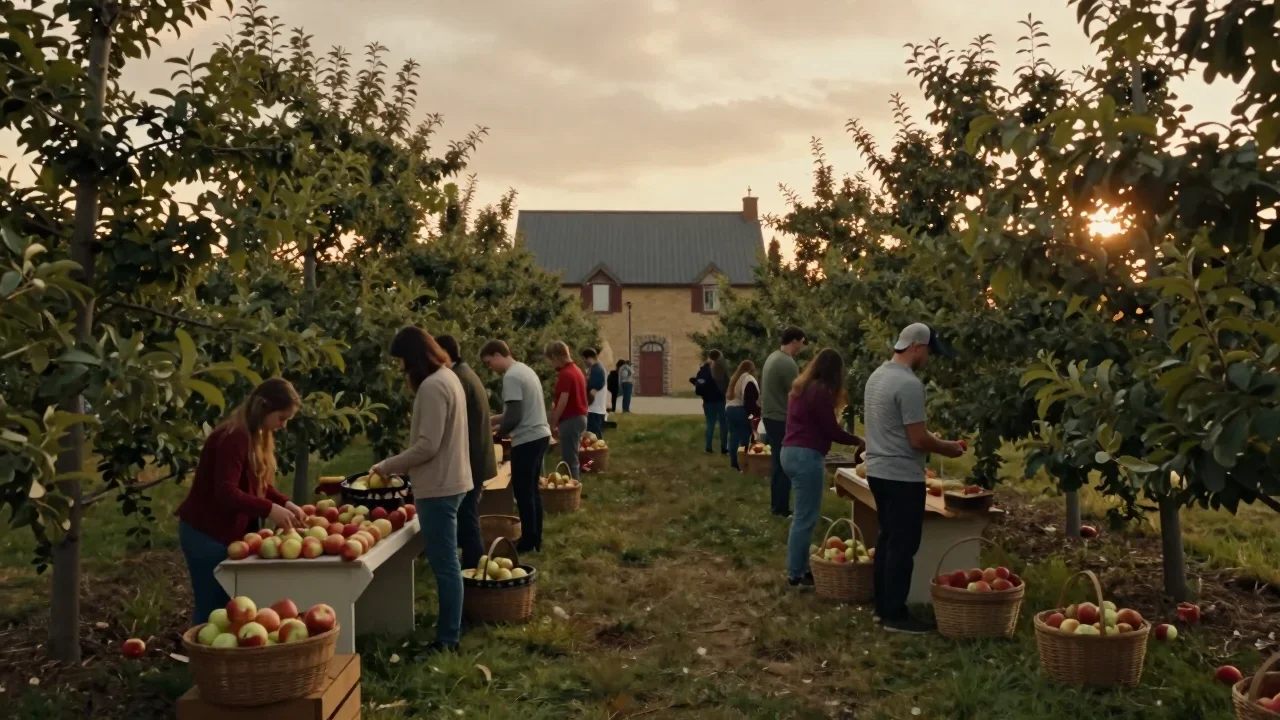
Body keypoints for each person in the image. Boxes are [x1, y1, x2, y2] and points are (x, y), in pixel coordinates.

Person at [370, 327, 472, 653]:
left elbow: (428, 445)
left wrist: (388, 465)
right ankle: (451, 628)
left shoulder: (431, 387)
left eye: (402, 361)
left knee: (445, 565)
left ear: (413, 358)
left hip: (439, 485)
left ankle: (447, 640)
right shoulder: (449, 377)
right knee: (448, 562)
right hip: (453, 479)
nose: (401, 369)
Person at [864, 323, 965, 634]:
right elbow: (918, 438)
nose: (929, 358)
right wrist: (948, 448)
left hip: (877, 470)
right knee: (903, 545)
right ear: (917, 347)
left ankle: (881, 607)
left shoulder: (877, 376)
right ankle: (895, 614)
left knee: (887, 539)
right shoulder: (909, 385)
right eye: (930, 352)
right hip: (902, 475)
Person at [176, 378, 305, 624]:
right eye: (281, 418)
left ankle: (219, 660)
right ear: (264, 408)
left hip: (223, 534)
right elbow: (226, 491)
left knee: (229, 609)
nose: (284, 426)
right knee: (212, 609)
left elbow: (258, 484)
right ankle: (201, 660)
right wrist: (270, 509)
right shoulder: (234, 436)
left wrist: (285, 503)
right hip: (206, 533)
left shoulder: (255, 434)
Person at [781, 348, 865, 590]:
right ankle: (796, 575)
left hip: (789, 451)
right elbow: (831, 430)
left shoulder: (802, 387)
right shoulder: (820, 392)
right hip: (807, 456)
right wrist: (858, 441)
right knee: (805, 517)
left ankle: (800, 568)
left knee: (802, 515)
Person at [481, 339, 552, 553]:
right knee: (532, 490)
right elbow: (515, 410)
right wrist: (491, 421)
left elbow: (514, 417)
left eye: (488, 363)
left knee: (523, 492)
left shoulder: (511, 377)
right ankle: (535, 537)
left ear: (496, 355)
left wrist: (495, 436)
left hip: (527, 438)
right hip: (540, 435)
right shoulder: (524, 371)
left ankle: (527, 542)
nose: (490, 368)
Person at [435, 334, 498, 570]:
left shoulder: (458, 379)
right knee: (468, 513)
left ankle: (473, 568)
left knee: (467, 515)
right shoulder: (464, 373)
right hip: (476, 457)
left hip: (470, 459)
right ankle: (473, 565)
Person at [761, 327, 806, 516]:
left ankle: (777, 506)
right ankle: (780, 509)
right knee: (784, 465)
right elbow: (797, 393)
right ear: (795, 341)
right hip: (780, 418)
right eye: (802, 342)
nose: (802, 347)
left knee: (777, 463)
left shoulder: (773, 357)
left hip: (770, 415)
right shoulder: (788, 363)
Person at [545, 340, 588, 480]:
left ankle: (573, 488)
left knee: (570, 459)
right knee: (572, 455)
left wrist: (554, 421)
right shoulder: (576, 370)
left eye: (551, 361)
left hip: (571, 419)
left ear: (556, 357)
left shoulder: (565, 374)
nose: (551, 365)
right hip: (580, 417)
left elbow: (563, 400)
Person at [690, 349, 730, 454]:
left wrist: (698, 385)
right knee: (723, 425)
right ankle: (724, 448)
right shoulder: (722, 370)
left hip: (708, 402)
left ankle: (708, 447)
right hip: (721, 401)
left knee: (710, 424)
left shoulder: (703, 371)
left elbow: (699, 387)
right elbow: (727, 385)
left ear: (709, 357)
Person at [725, 359, 761, 471]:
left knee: (734, 436)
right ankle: (743, 462)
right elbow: (748, 401)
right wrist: (752, 416)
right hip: (740, 410)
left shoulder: (735, 378)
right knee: (745, 435)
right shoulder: (748, 379)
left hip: (730, 409)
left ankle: (734, 462)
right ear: (751, 369)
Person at [582, 347, 608, 439]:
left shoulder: (597, 370)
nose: (584, 361)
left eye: (584, 359)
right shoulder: (594, 369)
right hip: (594, 409)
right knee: (593, 439)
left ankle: (599, 453)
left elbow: (593, 392)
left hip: (594, 410)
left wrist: (584, 405)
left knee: (593, 439)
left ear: (589, 358)